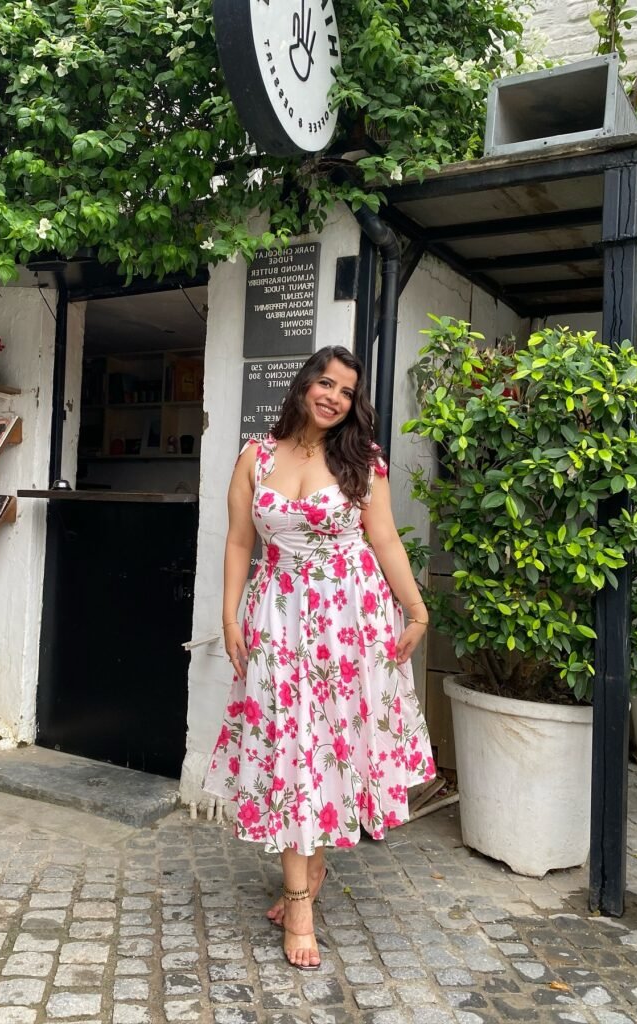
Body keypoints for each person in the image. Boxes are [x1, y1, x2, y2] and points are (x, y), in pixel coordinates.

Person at [204, 345, 435, 971]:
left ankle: (306, 880)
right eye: (326, 383)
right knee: (291, 745)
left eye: (346, 391)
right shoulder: (256, 456)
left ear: (354, 404)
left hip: (349, 619)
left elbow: (384, 540)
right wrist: (229, 617)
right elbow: (239, 541)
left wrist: (416, 611)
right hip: (277, 616)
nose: (333, 397)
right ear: (306, 384)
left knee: (332, 740)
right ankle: (300, 897)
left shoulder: (363, 460)